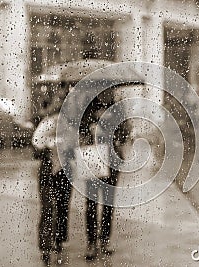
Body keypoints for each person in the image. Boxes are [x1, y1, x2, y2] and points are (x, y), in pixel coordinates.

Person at [79, 89, 131, 261]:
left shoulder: (118, 108)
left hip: (112, 159)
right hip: (93, 158)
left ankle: (105, 240)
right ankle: (91, 242)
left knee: (108, 202)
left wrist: (113, 134)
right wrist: (91, 128)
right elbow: (78, 128)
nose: (106, 93)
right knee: (92, 202)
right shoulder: (87, 107)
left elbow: (126, 131)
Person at [32, 88, 72, 266]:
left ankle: (58, 241)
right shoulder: (48, 123)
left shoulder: (70, 125)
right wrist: (54, 143)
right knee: (48, 208)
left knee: (63, 207)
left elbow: (75, 144)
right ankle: (45, 247)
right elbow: (37, 143)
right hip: (48, 171)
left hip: (64, 171)